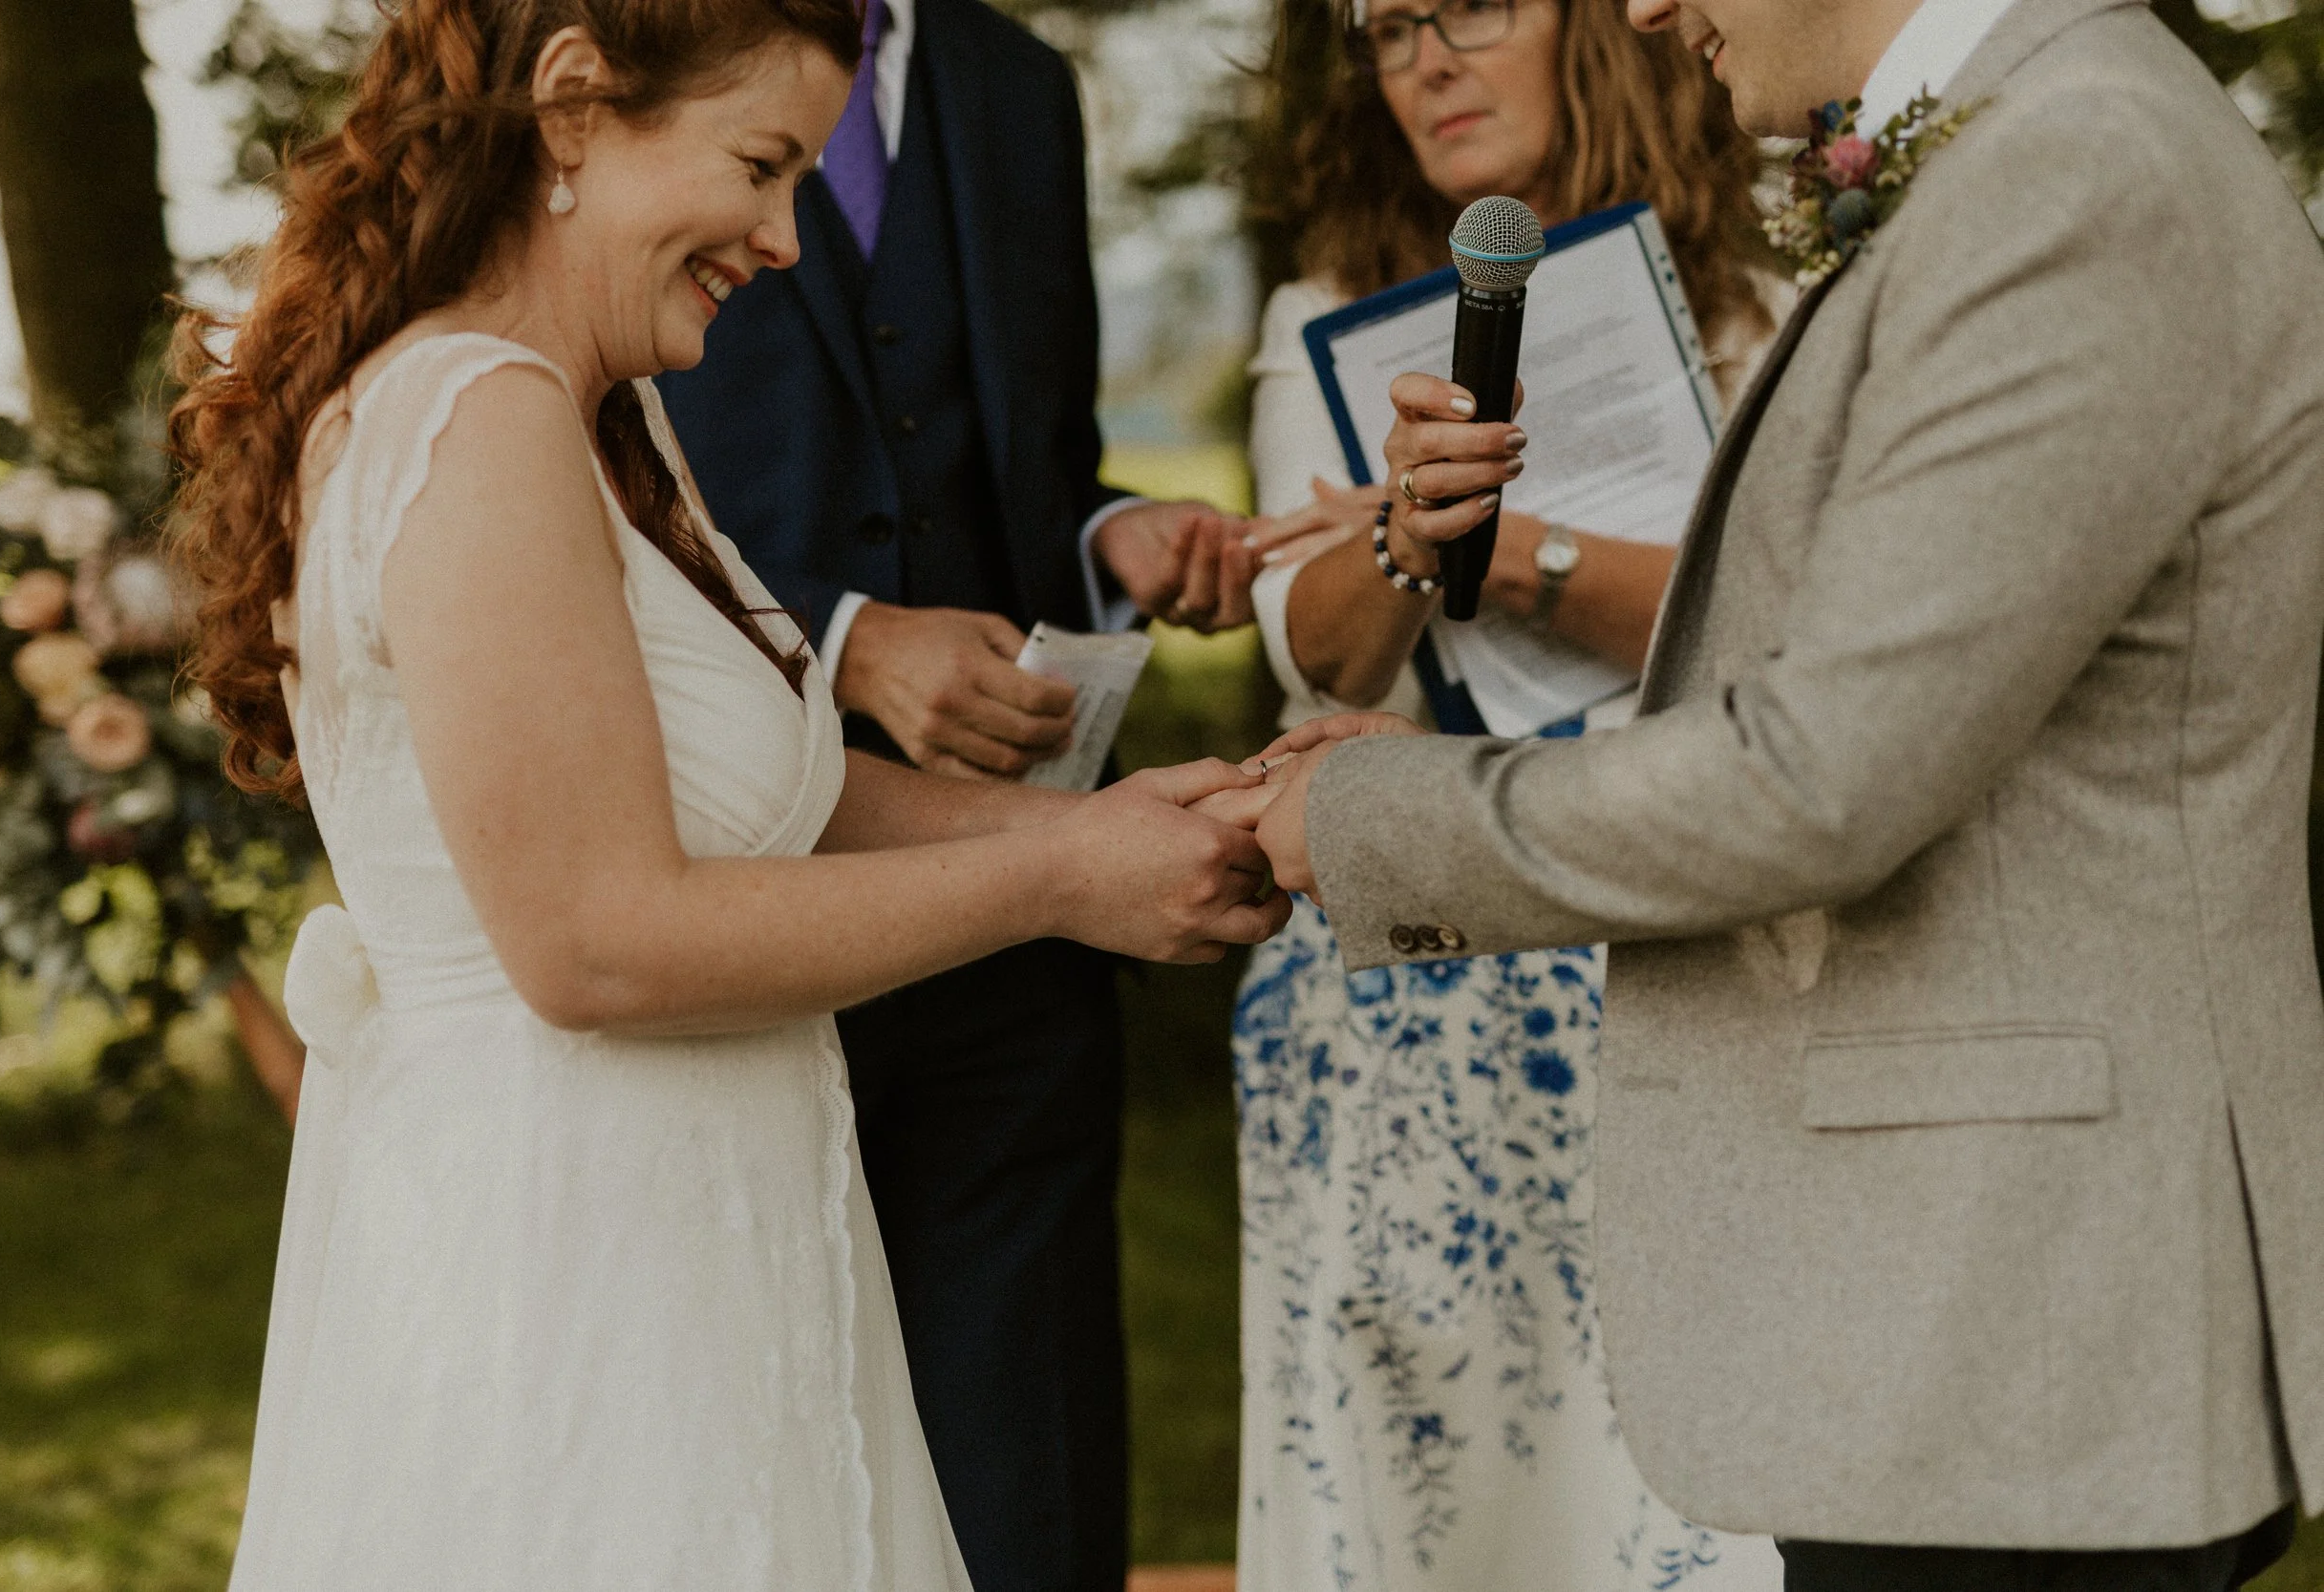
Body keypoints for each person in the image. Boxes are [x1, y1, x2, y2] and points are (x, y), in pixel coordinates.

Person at [163, 3, 1290, 1586]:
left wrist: (1121, 825)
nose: (781, 238)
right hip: (577, 1284)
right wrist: (1056, 886)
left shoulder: (607, 417)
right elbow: (598, 939)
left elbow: (777, 795)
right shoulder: (475, 419)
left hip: (711, 1243)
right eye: (761, 167)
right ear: (570, 108)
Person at [1247, 0, 2324, 1580]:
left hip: (2018, 1314)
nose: (1637, 6)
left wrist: (1381, 822)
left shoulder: (2080, 163)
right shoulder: (2021, 146)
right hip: (1969, 1314)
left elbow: (1825, 777)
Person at [651, 2, 1256, 1583]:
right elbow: (582, 481)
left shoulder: (1017, 84)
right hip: (748, 889)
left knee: (1028, 1457)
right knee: (769, 1446)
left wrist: (1107, 537)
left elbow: (1021, 457)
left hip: (1032, 900)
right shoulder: (627, 52)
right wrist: (844, 646)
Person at [1226, 0, 1786, 1586]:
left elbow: (1798, 624)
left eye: (1468, 5)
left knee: (1679, 1496)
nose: (1427, 61)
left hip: (1668, 942)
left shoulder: (1762, 295)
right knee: (1434, 1506)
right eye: (1386, 27)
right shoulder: (1329, 309)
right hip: (1409, 981)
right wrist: (1403, 532)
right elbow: (1323, 649)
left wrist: (1515, 550)